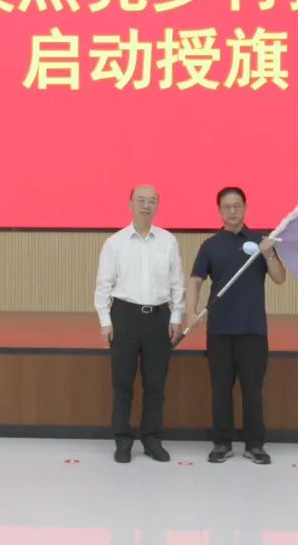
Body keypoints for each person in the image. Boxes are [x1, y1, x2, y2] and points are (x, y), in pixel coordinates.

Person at [187, 186, 286, 465]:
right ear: (219, 211)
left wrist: (269, 254)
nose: (232, 211)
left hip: (253, 329)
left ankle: (255, 445)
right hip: (219, 330)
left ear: (245, 207)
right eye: (227, 207)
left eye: (237, 206)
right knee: (221, 390)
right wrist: (191, 311)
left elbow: (280, 278)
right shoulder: (210, 245)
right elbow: (195, 281)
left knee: (252, 390)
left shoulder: (261, 241)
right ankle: (222, 443)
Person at [94, 184, 185, 463]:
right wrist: (105, 321)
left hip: (158, 318)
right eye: (141, 200)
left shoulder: (168, 241)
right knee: (122, 384)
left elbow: (177, 283)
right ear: (130, 204)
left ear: (157, 205)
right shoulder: (115, 243)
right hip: (125, 317)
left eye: (151, 201)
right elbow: (103, 285)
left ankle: (151, 439)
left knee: (155, 384)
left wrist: (176, 317)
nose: (146, 205)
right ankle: (123, 441)